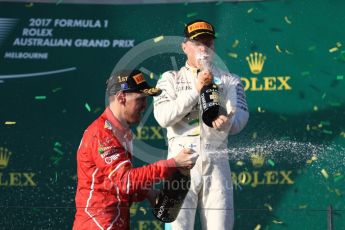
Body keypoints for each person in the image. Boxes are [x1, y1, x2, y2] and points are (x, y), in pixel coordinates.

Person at [153, 19, 249, 230]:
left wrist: (227, 121)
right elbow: (162, 116)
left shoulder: (230, 80)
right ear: (184, 46)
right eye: (197, 43)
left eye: (208, 42)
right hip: (180, 164)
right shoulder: (170, 78)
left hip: (217, 163)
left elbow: (241, 117)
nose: (203, 48)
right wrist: (196, 89)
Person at [73, 69, 196, 230]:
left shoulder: (122, 132)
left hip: (113, 223)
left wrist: (147, 192)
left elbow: (115, 186)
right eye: (140, 99)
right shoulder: (102, 134)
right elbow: (125, 181)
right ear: (121, 98)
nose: (145, 105)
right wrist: (172, 164)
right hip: (98, 225)